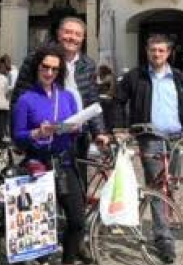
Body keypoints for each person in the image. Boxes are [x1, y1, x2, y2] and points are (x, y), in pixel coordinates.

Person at [113, 34, 183, 263]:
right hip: (150, 137)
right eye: (153, 50)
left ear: (169, 53)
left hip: (176, 139)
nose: (156, 54)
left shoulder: (180, 78)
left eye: (161, 50)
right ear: (146, 51)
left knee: (171, 186)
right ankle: (163, 239)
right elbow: (117, 100)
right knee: (157, 188)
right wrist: (121, 127)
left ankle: (166, 224)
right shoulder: (136, 76)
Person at [11, 44, 88, 265]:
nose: (49, 72)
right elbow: (17, 136)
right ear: (37, 67)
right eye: (45, 67)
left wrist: (75, 128)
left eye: (55, 69)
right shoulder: (25, 98)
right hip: (38, 162)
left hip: (65, 161)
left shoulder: (66, 97)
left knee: (77, 218)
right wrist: (36, 132)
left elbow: (77, 124)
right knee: (42, 221)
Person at [11, 15, 109, 158]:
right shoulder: (37, 59)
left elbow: (92, 101)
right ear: (58, 33)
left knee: (76, 177)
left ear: (83, 38)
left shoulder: (88, 65)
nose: (72, 38)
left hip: (78, 135)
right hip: (44, 136)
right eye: (67, 32)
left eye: (78, 34)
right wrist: (18, 141)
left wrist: (99, 132)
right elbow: (18, 98)